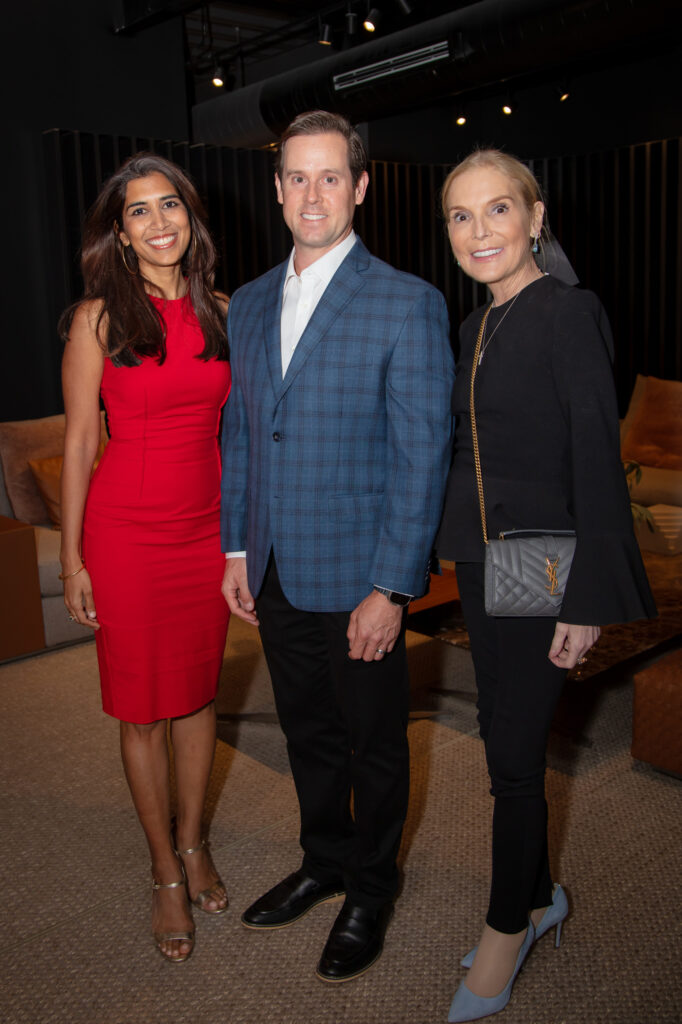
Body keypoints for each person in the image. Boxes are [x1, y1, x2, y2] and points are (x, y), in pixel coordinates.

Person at [220, 110, 454, 983]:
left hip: (361, 577)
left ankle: (371, 884)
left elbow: (421, 455)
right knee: (306, 730)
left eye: (330, 177)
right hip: (274, 565)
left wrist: (392, 588)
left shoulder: (405, 301)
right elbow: (242, 436)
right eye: (296, 177)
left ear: (360, 186)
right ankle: (324, 858)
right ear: (277, 187)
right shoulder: (244, 304)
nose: (311, 194)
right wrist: (236, 551)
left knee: (374, 742)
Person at [437, 149, 656, 1022]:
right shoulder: (472, 326)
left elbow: (596, 464)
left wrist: (585, 598)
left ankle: (504, 930)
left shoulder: (570, 313)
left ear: (534, 217)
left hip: (543, 563)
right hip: (482, 559)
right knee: (501, 737)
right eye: (461, 216)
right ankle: (539, 901)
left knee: (517, 762)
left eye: (497, 211)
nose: (479, 231)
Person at [59, 153, 231, 964]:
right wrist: (71, 559)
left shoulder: (226, 311)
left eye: (172, 206)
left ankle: (193, 840)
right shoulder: (98, 319)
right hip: (125, 532)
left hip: (206, 529)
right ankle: (163, 868)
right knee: (141, 708)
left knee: (197, 698)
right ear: (120, 235)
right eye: (139, 212)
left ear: (190, 219)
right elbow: (80, 443)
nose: (159, 222)